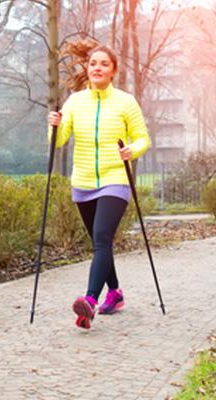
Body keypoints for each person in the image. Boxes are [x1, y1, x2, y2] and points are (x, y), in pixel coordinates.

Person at [46, 39, 151, 329]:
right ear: (87, 68)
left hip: (115, 179)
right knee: (99, 243)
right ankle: (115, 293)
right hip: (82, 182)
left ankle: (90, 301)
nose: (97, 68)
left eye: (104, 64)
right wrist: (54, 124)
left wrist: (132, 150)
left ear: (113, 71)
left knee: (102, 237)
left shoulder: (125, 102)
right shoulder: (75, 101)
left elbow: (144, 138)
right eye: (93, 63)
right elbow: (59, 141)